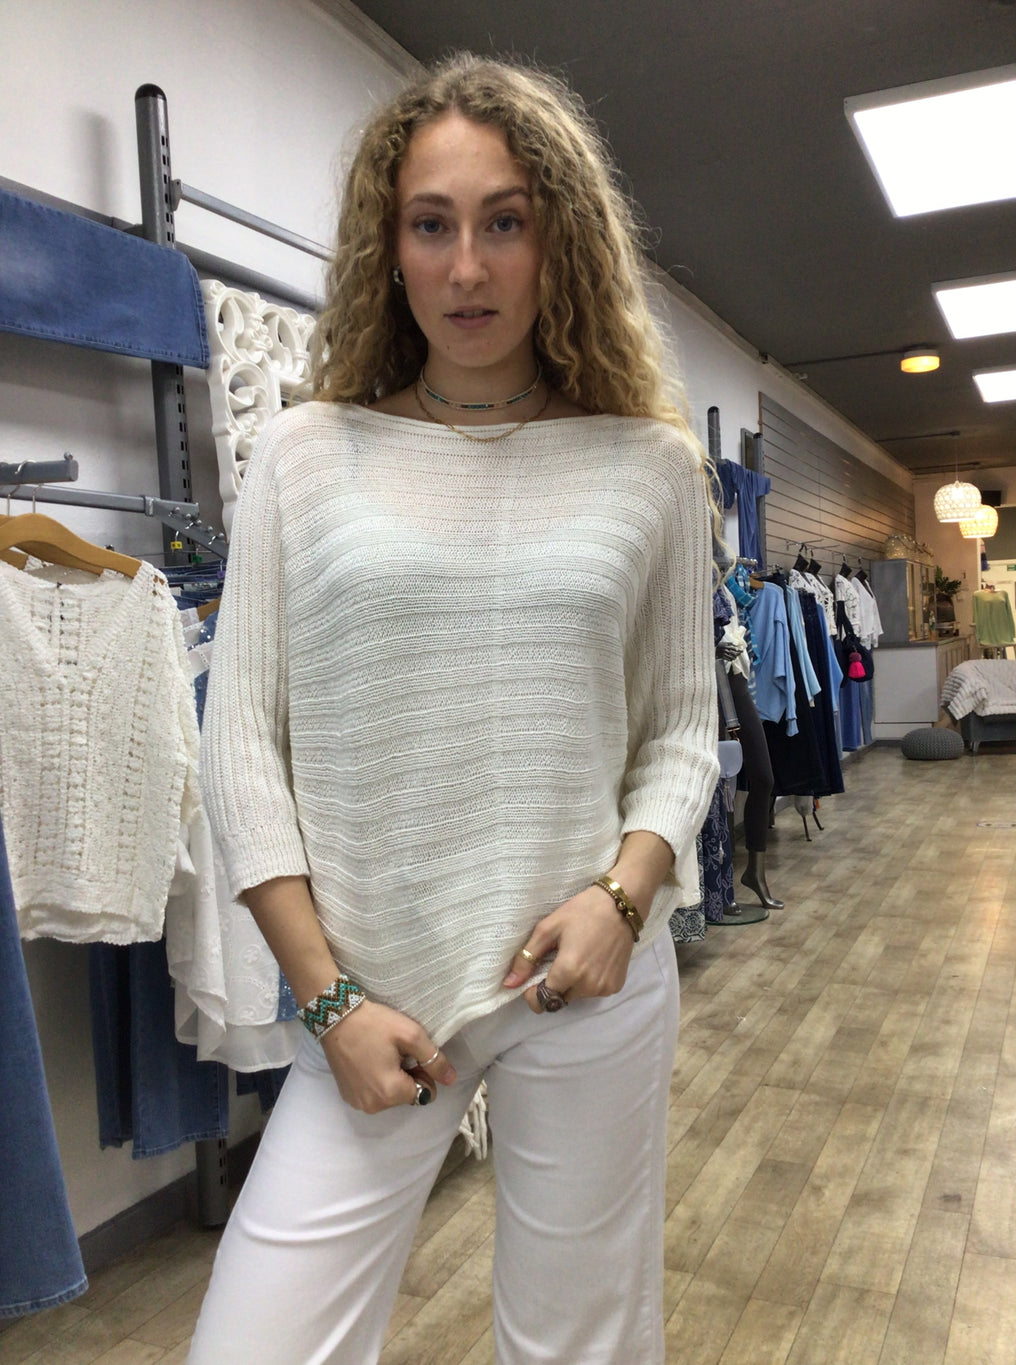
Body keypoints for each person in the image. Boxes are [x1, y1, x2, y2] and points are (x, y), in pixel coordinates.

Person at [189, 52, 719, 1365]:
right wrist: (326, 1001)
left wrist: (623, 900)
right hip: (370, 991)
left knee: (581, 1341)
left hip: (582, 977)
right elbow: (242, 746)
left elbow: (679, 732)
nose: (468, 268)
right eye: (432, 225)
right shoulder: (305, 457)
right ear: (390, 247)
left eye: (505, 223)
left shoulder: (651, 469)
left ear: (561, 242)